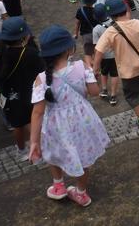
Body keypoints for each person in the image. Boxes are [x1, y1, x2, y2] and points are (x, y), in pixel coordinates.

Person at [29, 25, 109, 206]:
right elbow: (95, 92)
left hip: (55, 125)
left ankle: (58, 186)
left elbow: (38, 112)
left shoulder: (41, 78)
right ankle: (81, 192)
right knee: (84, 154)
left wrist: (34, 141)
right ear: (69, 49)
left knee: (54, 153)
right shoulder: (82, 67)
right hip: (82, 121)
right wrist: (91, 73)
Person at [0, 17, 44, 161]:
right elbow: (43, 71)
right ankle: (37, 148)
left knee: (18, 125)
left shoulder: (2, 52)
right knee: (34, 120)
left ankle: (21, 150)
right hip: (30, 94)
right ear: (24, 37)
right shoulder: (31, 53)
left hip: (9, 97)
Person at [93, 0, 139, 126]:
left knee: (131, 95)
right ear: (125, 9)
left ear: (111, 15)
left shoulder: (110, 32)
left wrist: (95, 70)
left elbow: (99, 52)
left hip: (127, 71)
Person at [92, 4, 118, 105]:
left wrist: (95, 59)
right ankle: (113, 95)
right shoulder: (114, 24)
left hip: (103, 56)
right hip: (115, 55)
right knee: (114, 74)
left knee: (104, 72)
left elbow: (96, 46)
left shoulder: (96, 29)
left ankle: (104, 89)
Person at [75, 0, 98, 67]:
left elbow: (77, 23)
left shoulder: (80, 11)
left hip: (85, 35)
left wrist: (76, 33)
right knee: (95, 51)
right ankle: (95, 66)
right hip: (95, 35)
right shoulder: (96, 11)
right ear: (95, 0)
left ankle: (90, 69)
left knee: (87, 53)